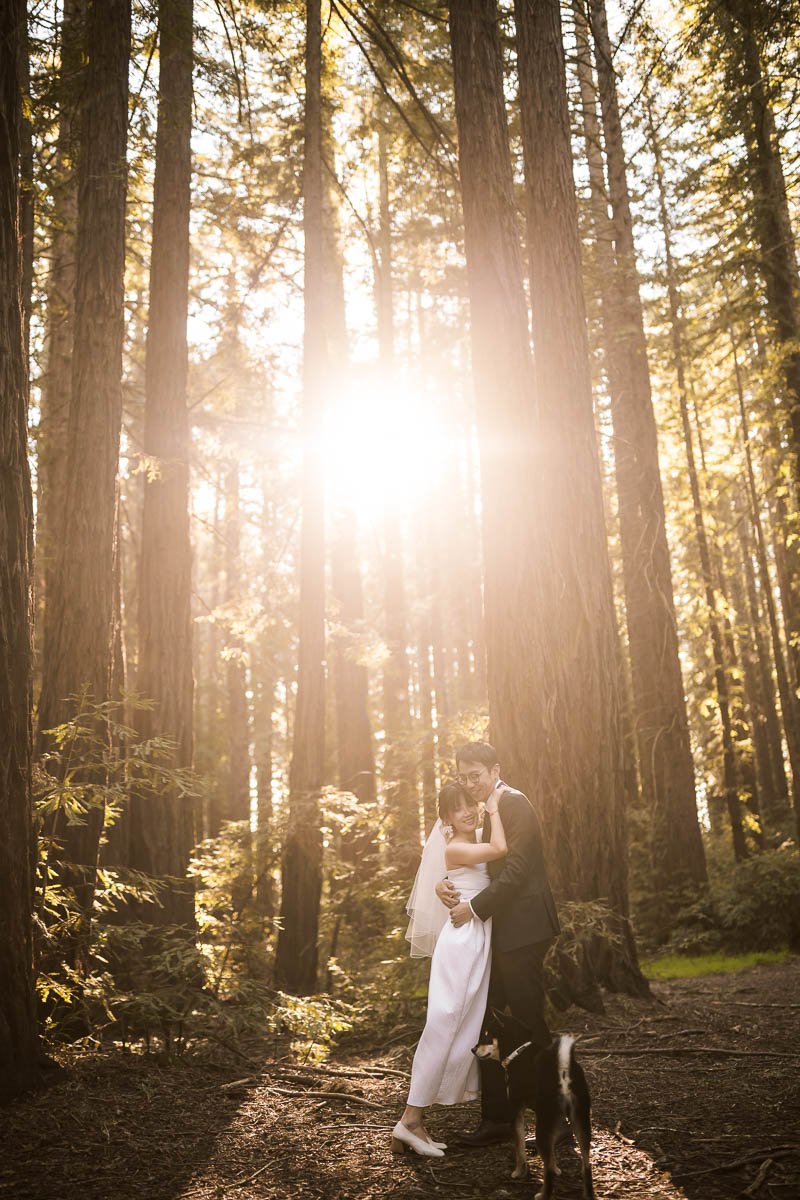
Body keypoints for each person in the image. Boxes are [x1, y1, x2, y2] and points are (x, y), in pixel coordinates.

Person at [436, 740, 560, 1148]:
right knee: (486, 1020)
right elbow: (474, 861)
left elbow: (519, 870)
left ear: (495, 770)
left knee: (526, 1019)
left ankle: (554, 1118)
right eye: (464, 777)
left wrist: (473, 908)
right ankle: (498, 1119)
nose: (470, 784)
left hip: (523, 927)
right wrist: (445, 884)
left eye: (477, 775)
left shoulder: (514, 803)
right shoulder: (480, 812)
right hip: (496, 933)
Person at [391, 780, 508, 1158]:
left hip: (477, 934)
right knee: (445, 1019)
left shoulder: (467, 844)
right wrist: (494, 807)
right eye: (458, 809)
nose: (469, 811)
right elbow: (501, 850)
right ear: (446, 818)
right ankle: (409, 1120)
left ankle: (414, 1122)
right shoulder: (458, 846)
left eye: (470, 804)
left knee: (462, 1023)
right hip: (462, 939)